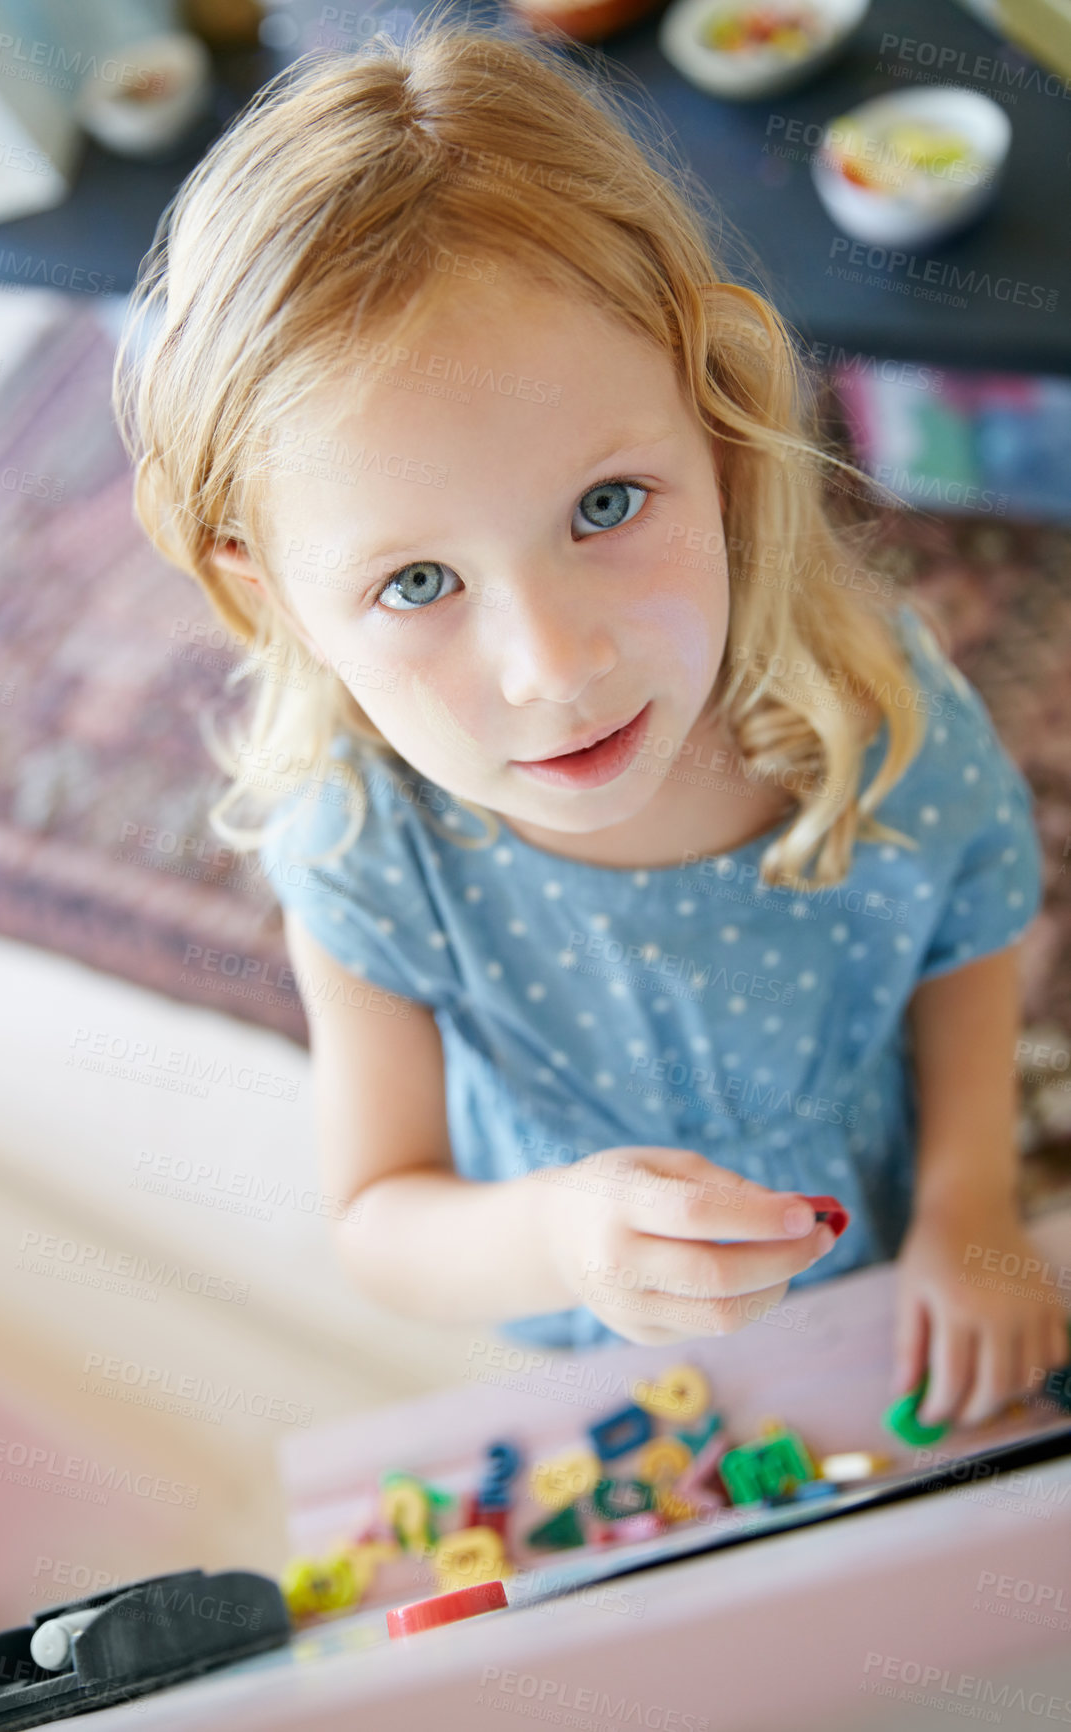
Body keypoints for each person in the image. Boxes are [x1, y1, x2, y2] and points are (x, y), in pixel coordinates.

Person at [113, 6, 1067, 1429]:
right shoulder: (364, 842)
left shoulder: (867, 705)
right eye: (418, 581)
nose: (552, 668)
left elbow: (967, 942)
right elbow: (381, 1215)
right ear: (274, 590)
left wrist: (972, 1208)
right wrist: (558, 1238)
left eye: (605, 507)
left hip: (899, 1230)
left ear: (717, 414)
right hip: (616, 1344)